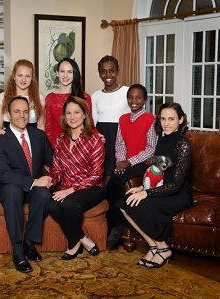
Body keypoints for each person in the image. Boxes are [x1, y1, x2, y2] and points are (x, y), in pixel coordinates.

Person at [117, 102, 193, 268]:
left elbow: (175, 184)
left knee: (142, 204)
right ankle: (154, 245)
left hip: (178, 194)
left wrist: (147, 194)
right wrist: (143, 187)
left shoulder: (183, 145)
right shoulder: (161, 141)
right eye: (163, 119)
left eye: (171, 119)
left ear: (180, 120)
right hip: (161, 188)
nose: (166, 123)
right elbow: (156, 172)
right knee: (124, 203)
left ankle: (163, 249)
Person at [0, 96, 53, 273]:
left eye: (25, 111)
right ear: (8, 114)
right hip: (9, 186)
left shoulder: (38, 136)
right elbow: (3, 174)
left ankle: (29, 243)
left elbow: (53, 161)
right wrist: (35, 181)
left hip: (31, 186)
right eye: (17, 111)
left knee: (43, 194)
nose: (22, 115)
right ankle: (17, 249)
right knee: (13, 191)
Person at [49, 96, 106, 260]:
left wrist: (70, 190)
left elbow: (96, 174)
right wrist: (51, 182)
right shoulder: (61, 139)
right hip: (66, 185)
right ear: (64, 117)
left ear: (85, 115)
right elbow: (58, 168)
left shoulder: (95, 140)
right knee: (52, 204)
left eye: (76, 112)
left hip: (93, 187)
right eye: (68, 113)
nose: (72, 117)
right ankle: (83, 238)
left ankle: (73, 245)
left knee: (70, 203)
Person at [105, 84, 157, 248]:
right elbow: (119, 144)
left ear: (145, 100)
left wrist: (129, 162)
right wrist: (121, 161)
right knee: (110, 183)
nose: (134, 101)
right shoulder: (123, 119)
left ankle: (116, 227)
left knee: (115, 181)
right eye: (131, 97)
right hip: (126, 163)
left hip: (143, 164)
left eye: (138, 97)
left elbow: (151, 149)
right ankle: (113, 224)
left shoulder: (151, 119)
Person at [91, 55, 130, 185]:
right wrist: (97, 137)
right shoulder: (95, 96)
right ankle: (103, 202)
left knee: (118, 176)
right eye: (103, 71)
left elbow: (135, 118)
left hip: (121, 138)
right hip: (103, 139)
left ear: (118, 71)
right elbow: (93, 122)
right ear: (99, 74)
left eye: (111, 70)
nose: (108, 74)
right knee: (103, 175)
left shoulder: (128, 92)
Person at [45, 58, 92, 147]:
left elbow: (89, 124)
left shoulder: (85, 97)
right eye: (62, 71)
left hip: (80, 146)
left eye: (70, 72)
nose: (65, 75)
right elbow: (48, 128)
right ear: (57, 73)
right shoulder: (50, 98)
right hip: (56, 146)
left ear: (74, 74)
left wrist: (97, 136)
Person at [0, 59, 45, 135]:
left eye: (27, 76)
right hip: (9, 140)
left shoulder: (39, 98)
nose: (23, 79)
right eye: (20, 75)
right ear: (14, 76)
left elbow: (41, 126)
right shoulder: (2, 98)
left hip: (32, 141)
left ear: (32, 78)